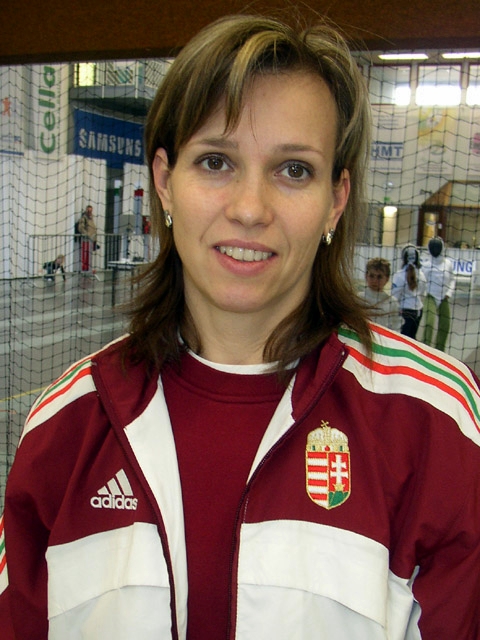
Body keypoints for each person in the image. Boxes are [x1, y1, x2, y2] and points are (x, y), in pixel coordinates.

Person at [1, 14, 479, 640]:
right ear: (165, 183)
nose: (250, 209)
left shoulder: (434, 424)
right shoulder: (65, 427)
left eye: (294, 170)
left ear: (336, 200)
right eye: (216, 161)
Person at [421, 236, 456, 352]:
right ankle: (425, 350)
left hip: (443, 297)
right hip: (430, 297)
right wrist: (423, 294)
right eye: (433, 247)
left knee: (445, 325)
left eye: (437, 247)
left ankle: (440, 351)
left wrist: (449, 293)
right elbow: (422, 281)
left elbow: (452, 279)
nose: (435, 249)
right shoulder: (426, 265)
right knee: (429, 324)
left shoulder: (448, 264)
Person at [391, 244, 427, 339]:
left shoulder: (399, 275)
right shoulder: (422, 275)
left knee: (402, 340)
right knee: (412, 339)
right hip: (418, 311)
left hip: (404, 311)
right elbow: (422, 293)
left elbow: (394, 296)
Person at [361, 257, 401, 331]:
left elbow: (396, 328)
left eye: (379, 277)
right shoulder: (358, 298)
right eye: (371, 276)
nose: (375, 280)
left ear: (387, 279)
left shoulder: (392, 303)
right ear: (366, 276)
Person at [77, 204, 98, 272]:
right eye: (88, 211)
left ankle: (89, 268)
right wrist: (87, 235)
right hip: (86, 240)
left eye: (91, 211)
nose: (89, 212)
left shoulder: (92, 219)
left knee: (89, 256)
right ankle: (84, 269)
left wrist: (95, 239)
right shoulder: (83, 218)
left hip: (91, 240)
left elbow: (93, 229)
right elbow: (81, 228)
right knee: (85, 255)